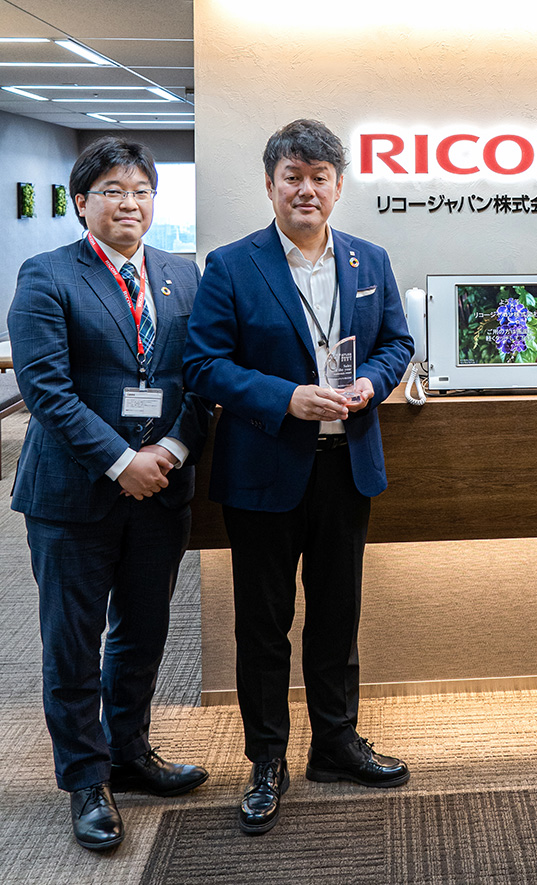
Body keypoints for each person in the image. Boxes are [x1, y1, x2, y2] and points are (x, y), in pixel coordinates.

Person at [183, 119, 413, 835]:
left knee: (338, 614)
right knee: (264, 623)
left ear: (339, 186)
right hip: (264, 470)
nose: (306, 189)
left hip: (346, 466)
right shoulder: (231, 265)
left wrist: (372, 383)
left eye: (319, 177)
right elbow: (203, 365)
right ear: (270, 185)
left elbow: (397, 342)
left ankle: (335, 743)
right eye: (293, 177)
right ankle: (266, 760)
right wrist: (286, 398)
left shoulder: (370, 259)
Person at [7, 137, 211, 851]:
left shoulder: (181, 273)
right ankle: (86, 780)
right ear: (81, 202)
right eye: (113, 191)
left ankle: (129, 752)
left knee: (143, 630)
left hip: (162, 487)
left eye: (141, 191)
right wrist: (121, 460)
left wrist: (172, 450)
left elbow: (202, 374)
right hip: (73, 495)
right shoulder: (47, 274)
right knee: (73, 642)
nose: (130, 203)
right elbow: (45, 390)